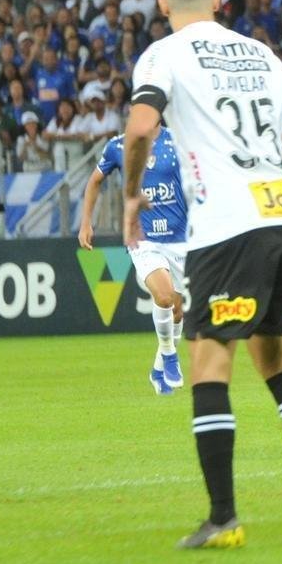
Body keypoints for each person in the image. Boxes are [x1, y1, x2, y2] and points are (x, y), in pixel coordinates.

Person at [121, 0, 282, 549]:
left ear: (162, 2)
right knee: (275, 357)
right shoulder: (263, 53)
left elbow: (139, 128)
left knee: (209, 363)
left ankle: (223, 518)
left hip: (225, 226)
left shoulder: (163, 54)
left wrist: (132, 196)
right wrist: (263, 191)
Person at [79, 122, 187, 395]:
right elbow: (95, 181)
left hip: (179, 238)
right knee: (164, 297)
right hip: (142, 238)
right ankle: (169, 355)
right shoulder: (117, 146)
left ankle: (158, 369)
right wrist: (86, 223)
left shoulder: (178, 139)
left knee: (177, 310)